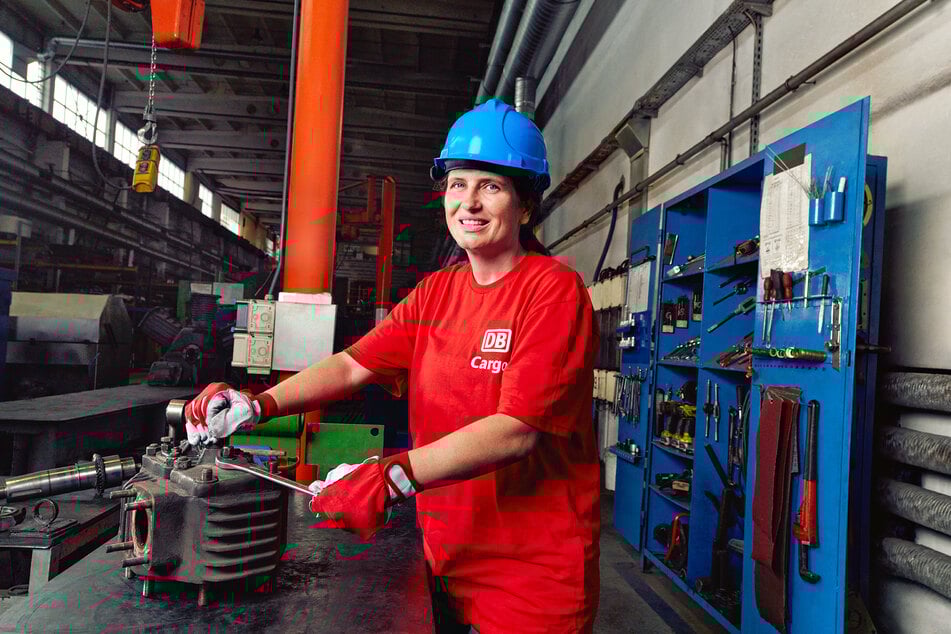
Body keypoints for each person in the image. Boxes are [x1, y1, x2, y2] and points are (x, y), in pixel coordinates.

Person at [185, 98, 601, 633]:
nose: (468, 202)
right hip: (443, 553)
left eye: (490, 186)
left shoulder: (553, 291)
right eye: (457, 183)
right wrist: (256, 403)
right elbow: (351, 366)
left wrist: (393, 474)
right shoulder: (436, 294)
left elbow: (515, 430)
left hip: (532, 572)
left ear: (525, 204)